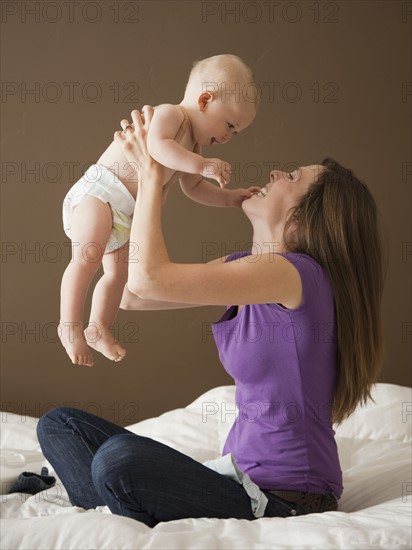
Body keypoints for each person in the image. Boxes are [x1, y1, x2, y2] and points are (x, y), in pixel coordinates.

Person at [37, 108, 384, 525]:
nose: (276, 172)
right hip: (234, 480)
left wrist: (151, 174)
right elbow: (132, 294)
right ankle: (118, 503)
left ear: (304, 218)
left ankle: (115, 499)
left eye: (292, 178)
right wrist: (126, 196)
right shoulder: (248, 270)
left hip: (286, 497)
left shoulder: (297, 273)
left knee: (116, 460)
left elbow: (149, 279)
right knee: (60, 426)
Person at [59, 54, 259, 367]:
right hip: (100, 194)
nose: (227, 136)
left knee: (118, 275)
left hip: (125, 215)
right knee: (88, 257)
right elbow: (156, 148)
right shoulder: (171, 115)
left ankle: (98, 327)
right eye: (229, 124)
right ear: (205, 100)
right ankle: (69, 326)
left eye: (235, 132)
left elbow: (193, 189)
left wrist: (231, 198)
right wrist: (203, 164)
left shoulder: (193, 147)